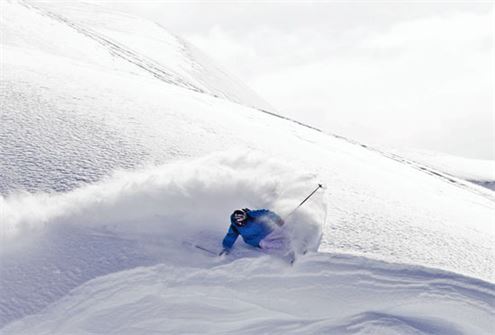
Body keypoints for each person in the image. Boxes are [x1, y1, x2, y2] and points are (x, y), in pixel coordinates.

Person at [219, 208, 290, 256]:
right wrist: (226, 248)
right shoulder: (235, 227)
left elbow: (266, 213)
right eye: (239, 222)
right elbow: (230, 237)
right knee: (270, 244)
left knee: (283, 233)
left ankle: (296, 239)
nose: (242, 223)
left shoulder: (251, 215)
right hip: (257, 240)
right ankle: (289, 247)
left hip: (268, 231)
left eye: (243, 220)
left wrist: (277, 220)